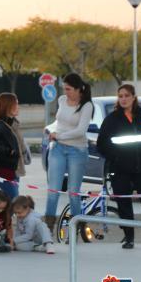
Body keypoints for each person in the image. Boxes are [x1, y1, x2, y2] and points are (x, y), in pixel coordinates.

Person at [97, 84, 141, 249]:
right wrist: (116, 158)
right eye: (120, 96)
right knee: (124, 204)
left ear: (133, 97)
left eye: (126, 95)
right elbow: (101, 144)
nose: (123, 99)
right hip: (120, 170)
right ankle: (129, 237)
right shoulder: (112, 119)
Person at [44, 73, 93, 233]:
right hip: (57, 148)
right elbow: (59, 121)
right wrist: (51, 129)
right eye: (64, 89)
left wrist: (59, 136)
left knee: (73, 192)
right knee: (53, 190)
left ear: (79, 89)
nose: (66, 92)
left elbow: (80, 131)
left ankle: (76, 226)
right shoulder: (61, 100)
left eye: (69, 89)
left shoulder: (86, 105)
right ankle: (48, 227)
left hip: (77, 150)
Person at [0, 92, 29, 200]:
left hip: (15, 169)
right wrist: (8, 151)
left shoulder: (14, 124)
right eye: (16, 104)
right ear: (7, 106)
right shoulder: (0, 125)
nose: (18, 107)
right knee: (14, 200)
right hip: (5, 170)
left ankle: (6, 217)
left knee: (10, 201)